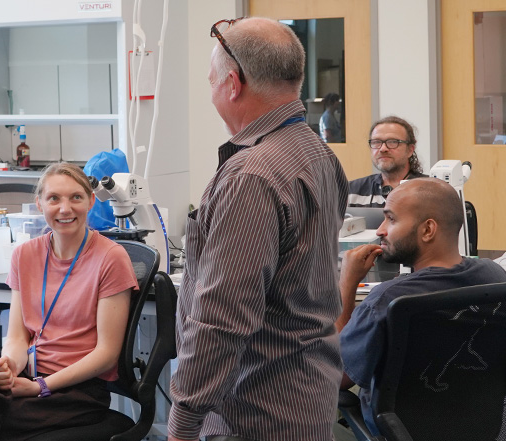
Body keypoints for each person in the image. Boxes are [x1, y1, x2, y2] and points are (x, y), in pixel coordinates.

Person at [170, 17, 348, 441]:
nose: (210, 88)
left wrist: (183, 422)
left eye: (211, 79)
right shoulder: (318, 153)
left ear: (233, 84)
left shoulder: (252, 175)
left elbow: (222, 317)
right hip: (304, 398)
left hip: (254, 412)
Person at [0, 162, 137, 441]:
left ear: (90, 201)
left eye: (76, 197)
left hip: (76, 391)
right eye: (54, 198)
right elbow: (18, 336)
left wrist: (40, 386)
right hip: (28, 375)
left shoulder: (110, 258)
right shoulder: (25, 255)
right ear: (39, 204)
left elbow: (107, 355)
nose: (65, 209)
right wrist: (9, 366)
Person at [336, 178, 506, 436]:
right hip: (482, 429)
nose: (380, 230)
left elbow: (335, 376)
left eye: (391, 219)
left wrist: (347, 283)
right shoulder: (496, 277)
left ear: (428, 230)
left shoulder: (387, 300)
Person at [348, 116, 429, 207]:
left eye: (393, 142)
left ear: (410, 150)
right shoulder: (351, 191)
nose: (383, 149)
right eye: (376, 142)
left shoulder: (430, 190)